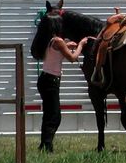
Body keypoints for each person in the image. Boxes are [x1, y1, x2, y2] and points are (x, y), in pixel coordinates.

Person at [34, 16, 88, 153]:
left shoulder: (49, 40)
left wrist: (67, 46)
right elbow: (72, 58)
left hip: (45, 79)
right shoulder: (58, 41)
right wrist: (81, 44)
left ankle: (44, 144)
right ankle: (47, 146)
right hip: (51, 81)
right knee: (54, 116)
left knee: (48, 114)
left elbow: (58, 52)